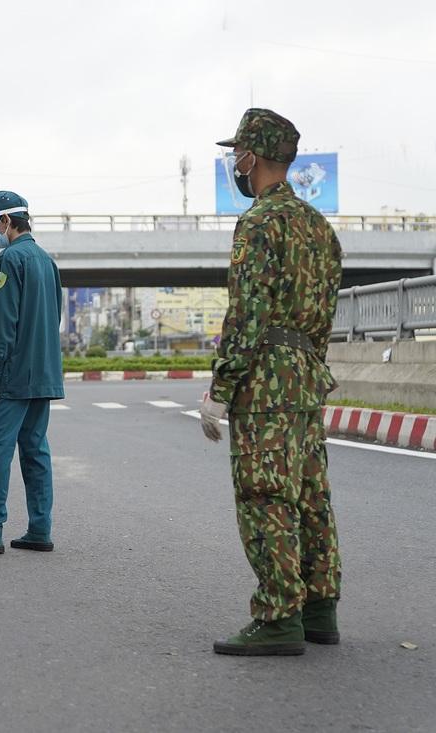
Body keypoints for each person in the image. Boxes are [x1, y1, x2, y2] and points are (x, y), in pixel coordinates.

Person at [202, 108, 343, 656]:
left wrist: (222, 387)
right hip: (307, 376)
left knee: (265, 496)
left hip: (265, 383)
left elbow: (248, 313)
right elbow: (326, 314)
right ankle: (319, 607)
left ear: (252, 157)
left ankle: (279, 615)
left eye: (236, 152)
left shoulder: (260, 223)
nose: (234, 162)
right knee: (310, 494)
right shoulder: (319, 227)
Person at [0, 191, 63, 555]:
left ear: (7, 221)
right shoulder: (47, 261)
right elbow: (55, 318)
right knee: (35, 450)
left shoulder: (11, 257)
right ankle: (40, 529)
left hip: (14, 376)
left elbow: (5, 321)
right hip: (44, 374)